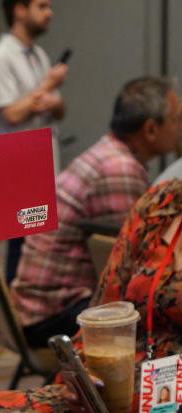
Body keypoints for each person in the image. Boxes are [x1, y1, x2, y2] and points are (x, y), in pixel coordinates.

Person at [0, 178, 182, 413]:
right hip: (121, 389)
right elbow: (105, 307)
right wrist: (80, 376)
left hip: (173, 406)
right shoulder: (161, 202)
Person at [10, 76, 181, 348]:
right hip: (53, 316)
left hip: (35, 305)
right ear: (151, 129)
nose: (179, 127)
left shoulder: (106, 152)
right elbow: (133, 274)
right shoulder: (120, 169)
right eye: (176, 119)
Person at [0, 0, 68, 284]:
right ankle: (13, 314)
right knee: (20, 241)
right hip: (16, 165)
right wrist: (48, 86)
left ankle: (32, 305)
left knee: (41, 243)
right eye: (42, 6)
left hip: (44, 161)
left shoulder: (39, 54)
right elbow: (11, 113)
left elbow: (55, 109)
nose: (50, 13)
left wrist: (54, 101)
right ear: (19, 10)